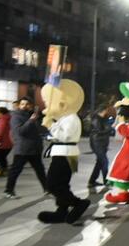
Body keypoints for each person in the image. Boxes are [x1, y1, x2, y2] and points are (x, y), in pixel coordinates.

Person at [37, 79, 91, 224]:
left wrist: (50, 126)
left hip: (66, 153)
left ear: (63, 103)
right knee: (61, 184)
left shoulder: (72, 118)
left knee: (53, 184)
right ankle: (62, 211)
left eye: (48, 102)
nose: (46, 106)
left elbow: (65, 136)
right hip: (63, 153)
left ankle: (78, 203)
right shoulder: (65, 118)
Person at [3, 97, 48, 199]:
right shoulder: (16, 117)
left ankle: (47, 189)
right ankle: (8, 190)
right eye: (22, 104)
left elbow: (39, 131)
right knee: (15, 171)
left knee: (40, 170)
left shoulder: (32, 115)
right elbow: (20, 131)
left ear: (30, 105)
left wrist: (40, 120)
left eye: (27, 104)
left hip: (34, 149)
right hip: (22, 149)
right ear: (19, 105)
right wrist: (31, 121)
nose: (24, 106)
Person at [87, 104, 114, 189]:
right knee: (105, 162)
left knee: (99, 163)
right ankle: (106, 181)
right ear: (103, 110)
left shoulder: (104, 118)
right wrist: (109, 129)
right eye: (107, 110)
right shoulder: (96, 119)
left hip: (103, 144)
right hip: (97, 143)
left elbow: (105, 129)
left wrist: (109, 129)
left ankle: (91, 181)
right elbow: (98, 131)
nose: (108, 112)